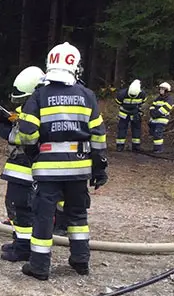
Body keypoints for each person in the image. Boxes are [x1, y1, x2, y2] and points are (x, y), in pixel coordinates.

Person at [16, 42, 108, 281]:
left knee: (44, 217)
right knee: (77, 216)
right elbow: (98, 136)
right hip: (79, 168)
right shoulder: (87, 96)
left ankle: (39, 266)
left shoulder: (39, 95)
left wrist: (34, 153)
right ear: (75, 66)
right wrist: (99, 168)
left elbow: (26, 132)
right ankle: (81, 261)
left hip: (48, 170)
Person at [0, 66, 45, 262]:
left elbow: (24, 137)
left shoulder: (36, 109)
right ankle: (20, 241)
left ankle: (24, 248)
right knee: (16, 205)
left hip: (26, 166)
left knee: (22, 206)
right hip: (20, 166)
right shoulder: (36, 106)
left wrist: (3, 128)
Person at [114, 79, 146, 152]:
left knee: (136, 129)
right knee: (122, 129)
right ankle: (120, 146)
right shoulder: (121, 94)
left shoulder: (142, 94)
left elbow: (143, 101)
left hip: (135, 114)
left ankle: (136, 147)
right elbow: (118, 102)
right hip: (124, 114)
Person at [148, 82, 173, 153]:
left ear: (167, 90)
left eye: (163, 89)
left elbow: (165, 108)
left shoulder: (169, 99)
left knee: (157, 134)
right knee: (153, 133)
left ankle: (158, 149)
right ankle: (156, 148)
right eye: (160, 89)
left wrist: (155, 114)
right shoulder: (158, 98)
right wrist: (152, 112)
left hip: (162, 119)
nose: (161, 90)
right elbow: (152, 106)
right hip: (154, 119)